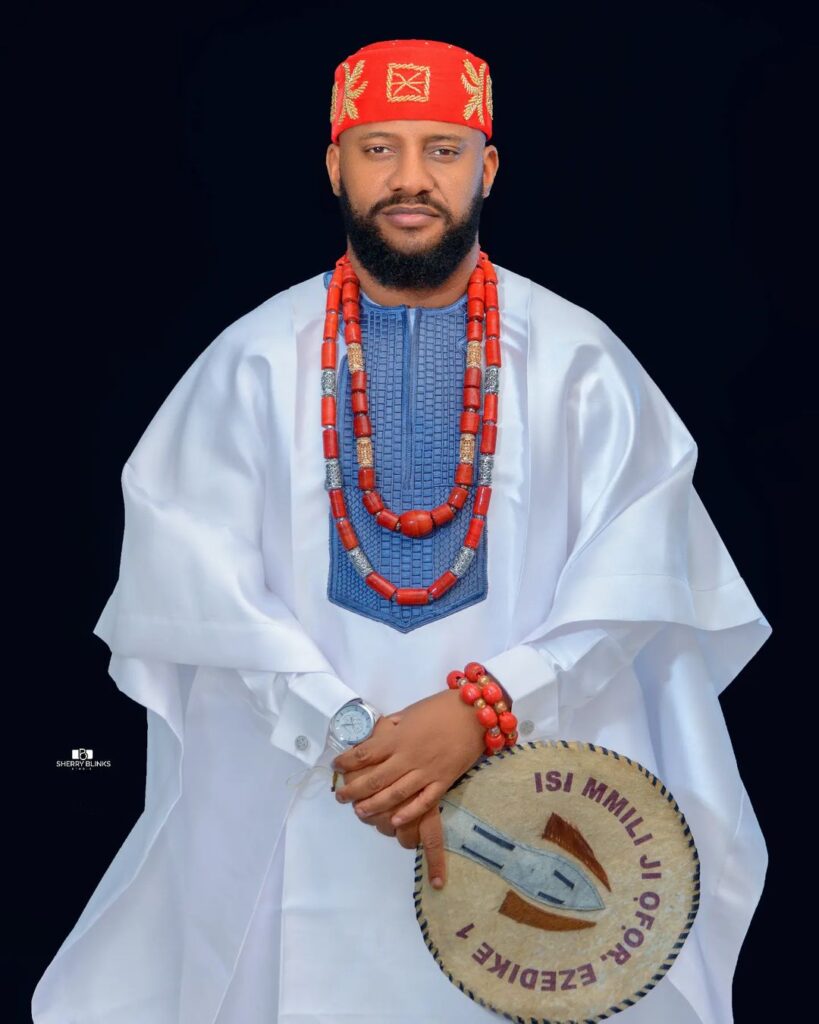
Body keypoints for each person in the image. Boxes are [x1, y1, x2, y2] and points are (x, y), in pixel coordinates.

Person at [32, 37, 771, 1024]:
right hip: (307, 790)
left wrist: (484, 710)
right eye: (378, 148)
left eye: (442, 149)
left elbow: (639, 580)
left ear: (487, 168)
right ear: (334, 165)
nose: (411, 178)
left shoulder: (579, 362)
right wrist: (349, 733)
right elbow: (194, 589)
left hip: (538, 796)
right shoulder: (253, 362)